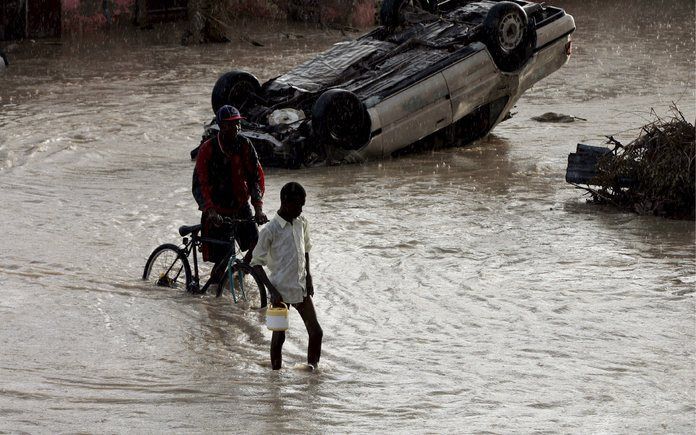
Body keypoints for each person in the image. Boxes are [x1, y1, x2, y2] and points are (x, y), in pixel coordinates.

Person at [192, 105, 268, 292]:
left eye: (238, 124)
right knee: (221, 261)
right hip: (216, 211)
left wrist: (258, 208)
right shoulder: (208, 149)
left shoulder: (245, 145)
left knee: (256, 248)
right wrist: (210, 211)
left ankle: (240, 271)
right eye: (231, 125)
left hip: (240, 206)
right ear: (221, 126)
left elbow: (255, 178)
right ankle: (214, 295)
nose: (236, 128)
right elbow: (199, 184)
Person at [251, 182, 323, 370]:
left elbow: (305, 249)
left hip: (300, 287)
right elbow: (256, 263)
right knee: (279, 337)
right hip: (280, 292)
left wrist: (309, 277)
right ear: (285, 202)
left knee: (316, 332)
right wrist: (272, 291)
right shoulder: (271, 230)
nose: (301, 210)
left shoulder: (301, 223)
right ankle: (275, 377)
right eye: (299, 205)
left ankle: (311, 372)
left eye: (303, 205)